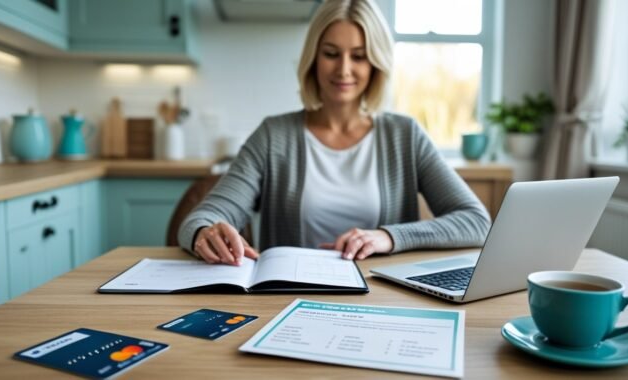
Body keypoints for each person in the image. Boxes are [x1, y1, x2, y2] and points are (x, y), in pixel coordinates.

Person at [179, 0, 491, 266]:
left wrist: (388, 237)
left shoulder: (405, 135)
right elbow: (199, 219)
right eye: (331, 53)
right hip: (287, 298)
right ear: (313, 59)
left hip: (383, 301)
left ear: (375, 64)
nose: (343, 69)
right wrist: (202, 233)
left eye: (358, 56)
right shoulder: (273, 136)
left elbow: (476, 222)